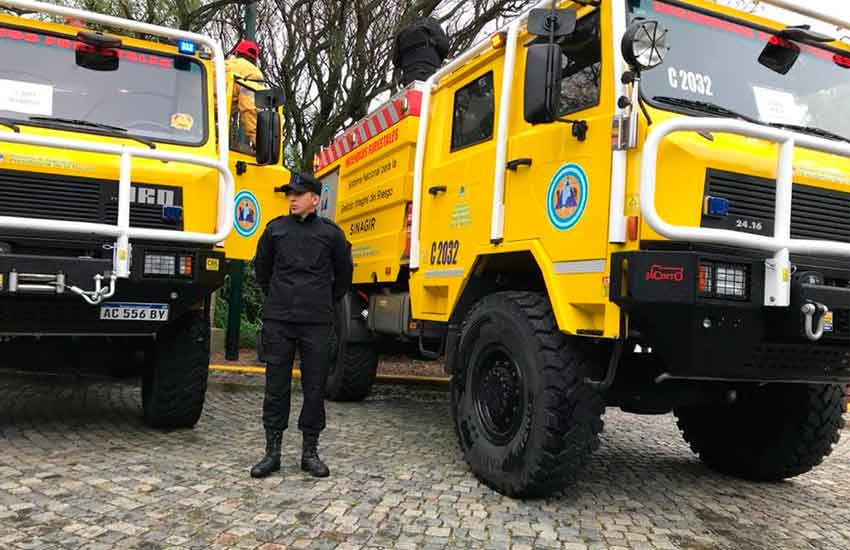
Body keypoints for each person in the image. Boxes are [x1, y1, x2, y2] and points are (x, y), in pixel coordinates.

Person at [251, 172, 353, 479]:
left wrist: (321, 301)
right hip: (280, 320)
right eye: (289, 194)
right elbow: (262, 271)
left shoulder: (332, 234)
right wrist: (281, 299)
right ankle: (272, 453)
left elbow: (343, 276)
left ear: (314, 198)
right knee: (275, 386)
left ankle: (310, 452)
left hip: (316, 323)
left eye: (297, 194)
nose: (291, 199)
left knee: (314, 388)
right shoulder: (275, 230)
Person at [225, 39, 264, 147]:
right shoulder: (252, 73)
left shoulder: (219, 65)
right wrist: (259, 142)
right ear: (255, 60)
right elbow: (249, 108)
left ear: (236, 53)